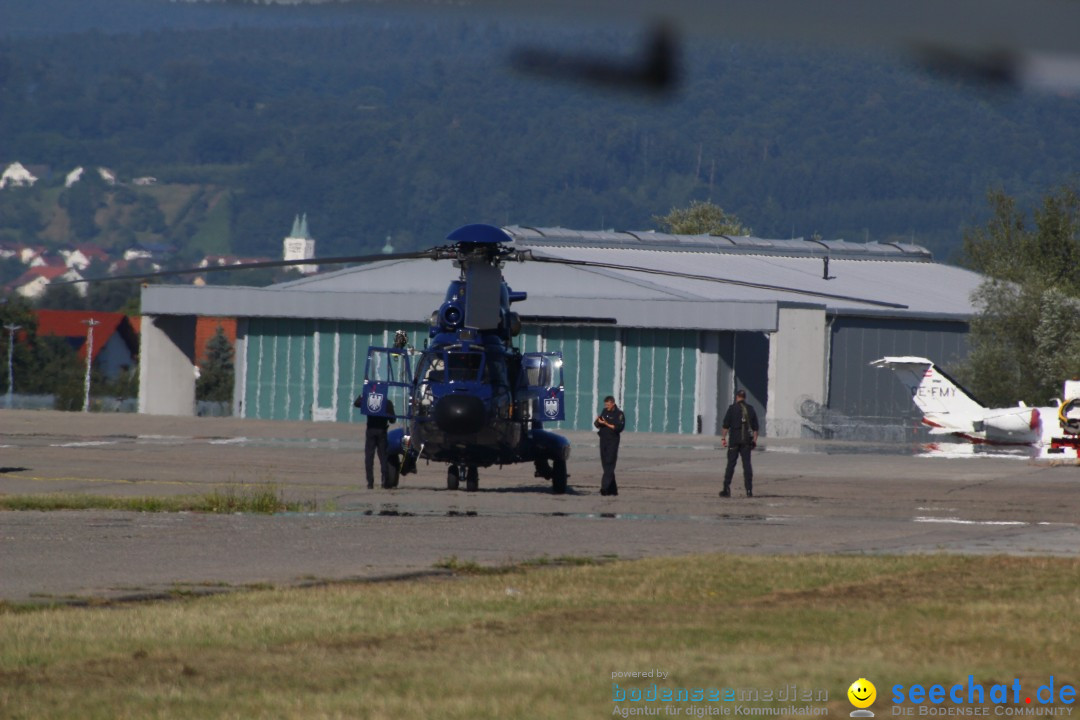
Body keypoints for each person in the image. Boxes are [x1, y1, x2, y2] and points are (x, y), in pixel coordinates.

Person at [720, 389, 759, 498]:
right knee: (747, 465)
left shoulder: (732, 409)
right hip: (746, 441)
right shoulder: (750, 409)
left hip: (734, 441)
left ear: (737, 397)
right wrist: (754, 441)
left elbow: (725, 426)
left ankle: (726, 488)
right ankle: (749, 490)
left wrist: (723, 439)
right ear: (745, 397)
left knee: (731, 465)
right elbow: (755, 429)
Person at [594, 395, 625, 496]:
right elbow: (597, 424)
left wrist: (606, 423)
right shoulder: (604, 411)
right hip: (603, 440)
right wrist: (598, 421)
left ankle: (604, 488)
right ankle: (613, 490)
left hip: (612, 441)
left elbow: (618, 428)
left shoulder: (619, 414)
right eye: (605, 405)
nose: (607, 406)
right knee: (605, 464)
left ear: (613, 403)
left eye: (608, 405)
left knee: (610, 463)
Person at [365, 398, 396, 489]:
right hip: (382, 431)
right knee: (383, 457)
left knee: (369, 458)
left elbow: (357, 403)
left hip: (371, 430)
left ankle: (370, 483)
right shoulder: (387, 402)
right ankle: (384, 481)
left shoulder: (369, 400)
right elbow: (392, 420)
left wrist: (362, 396)